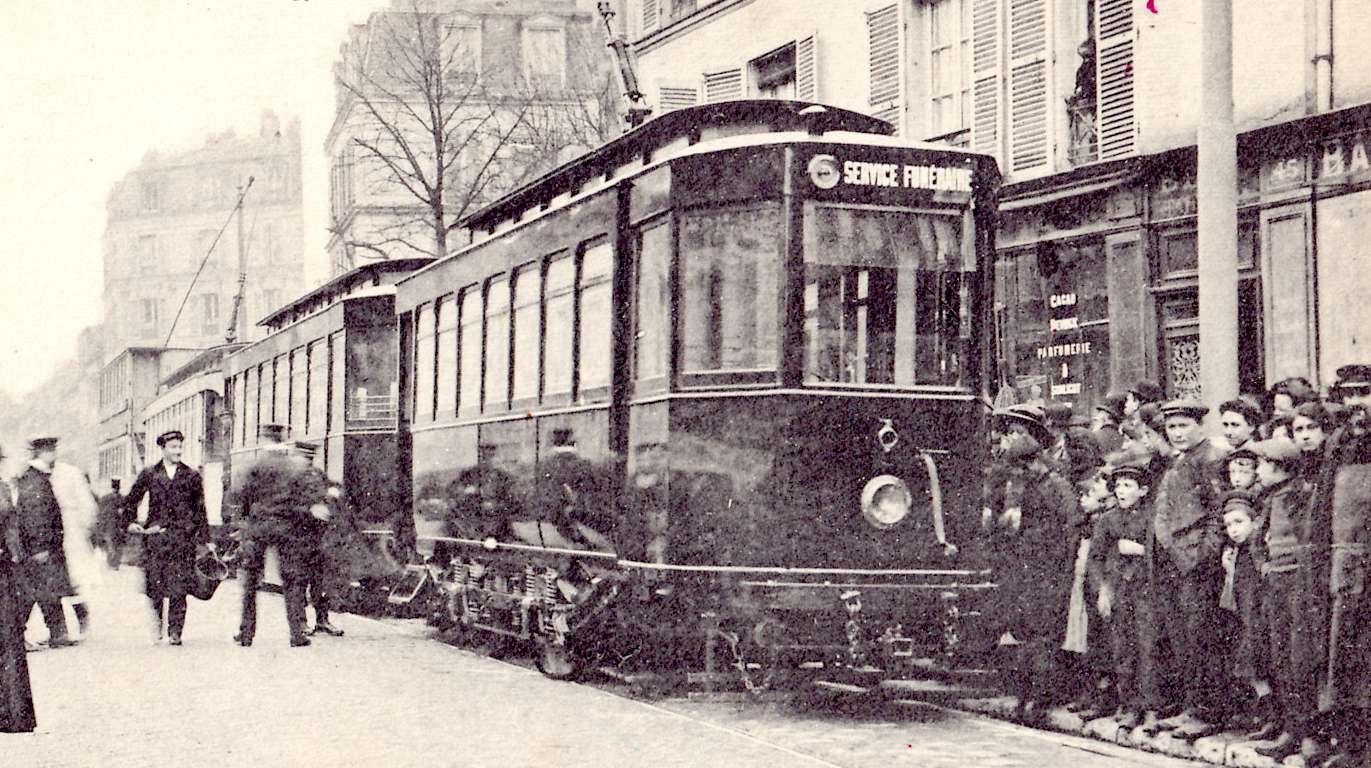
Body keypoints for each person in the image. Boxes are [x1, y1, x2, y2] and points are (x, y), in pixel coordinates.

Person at [1141, 398, 1229, 737]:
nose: (1177, 433)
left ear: (1200, 426)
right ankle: (1190, 706)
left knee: (1202, 638)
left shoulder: (1211, 459)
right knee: (1182, 638)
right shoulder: (1179, 461)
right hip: (1170, 564)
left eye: (1183, 426)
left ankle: (1207, 711)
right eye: (1172, 427)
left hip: (1195, 566)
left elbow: (1219, 514)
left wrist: (1201, 557)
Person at [984, 406, 1077, 722]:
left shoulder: (1053, 482)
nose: (1009, 440)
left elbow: (1069, 527)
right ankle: (1023, 697)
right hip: (1017, 569)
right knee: (1022, 632)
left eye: (1017, 434)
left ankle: (1039, 699)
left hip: (1046, 571)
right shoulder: (1006, 479)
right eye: (1009, 434)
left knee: (1043, 635)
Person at [1248, 437, 1323, 761]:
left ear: (1279, 468)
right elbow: (1260, 541)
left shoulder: (1296, 497)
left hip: (1294, 587)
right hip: (1275, 583)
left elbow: (1306, 543)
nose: (1258, 471)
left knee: (1297, 660)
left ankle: (1302, 732)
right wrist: (1264, 563)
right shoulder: (1273, 497)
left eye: (1262, 465)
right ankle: (1290, 729)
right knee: (1280, 658)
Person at [1315, 364, 1371, 767]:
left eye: (1364, 393)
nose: (1356, 403)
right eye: (1349, 394)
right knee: (1346, 659)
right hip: (1345, 565)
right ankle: (1352, 748)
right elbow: (1324, 508)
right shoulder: (1340, 441)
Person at [233, 424, 326, 648]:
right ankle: (297, 634)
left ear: (264, 439)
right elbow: (305, 499)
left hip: (258, 528)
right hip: (287, 528)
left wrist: (247, 520)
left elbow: (240, 495)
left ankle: (246, 634)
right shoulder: (294, 467)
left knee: (250, 583)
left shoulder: (254, 465)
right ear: (282, 439)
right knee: (293, 582)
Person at [121, 430, 210, 646]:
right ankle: (157, 627)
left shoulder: (192, 475)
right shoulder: (149, 474)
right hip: (156, 540)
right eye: (173, 447)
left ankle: (175, 632)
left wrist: (206, 538)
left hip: (182, 540)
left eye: (180, 447)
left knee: (180, 589)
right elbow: (131, 501)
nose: (178, 451)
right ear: (163, 449)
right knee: (156, 587)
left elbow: (200, 509)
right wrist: (130, 522)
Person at [1216, 489, 1272, 734]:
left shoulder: (1255, 551)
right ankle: (1262, 714)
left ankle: (1271, 716)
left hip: (1259, 619)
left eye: (1239, 522)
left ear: (1254, 521)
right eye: (1228, 525)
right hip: (1246, 619)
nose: (1234, 530)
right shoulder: (1236, 553)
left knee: (1258, 666)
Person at [13, 437, 75, 649]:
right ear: (43, 453)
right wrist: (39, 546)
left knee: (45, 591)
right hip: (40, 548)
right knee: (33, 594)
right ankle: (16, 636)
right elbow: (34, 516)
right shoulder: (35, 480)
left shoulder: (35, 478)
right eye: (52, 452)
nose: (55, 456)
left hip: (44, 547)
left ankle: (58, 633)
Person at [0, 446, 37, 733]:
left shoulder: (3, 490)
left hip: (3, 576)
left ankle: (11, 714)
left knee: (8, 640)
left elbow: (13, 533)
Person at [293, 441, 342, 638]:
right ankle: (301, 623)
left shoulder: (317, 475)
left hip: (319, 536)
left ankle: (322, 620)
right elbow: (284, 507)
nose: (308, 461)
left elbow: (332, 488)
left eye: (310, 458)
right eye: (305, 457)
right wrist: (309, 510)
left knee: (320, 580)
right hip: (297, 536)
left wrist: (334, 492)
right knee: (299, 581)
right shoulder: (291, 479)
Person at [95, 479, 125, 569]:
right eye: (115, 488)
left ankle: (114, 563)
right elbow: (101, 512)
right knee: (112, 543)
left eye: (116, 488)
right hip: (111, 524)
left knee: (115, 543)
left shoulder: (119, 498)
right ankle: (113, 563)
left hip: (116, 524)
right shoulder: (109, 498)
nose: (115, 490)